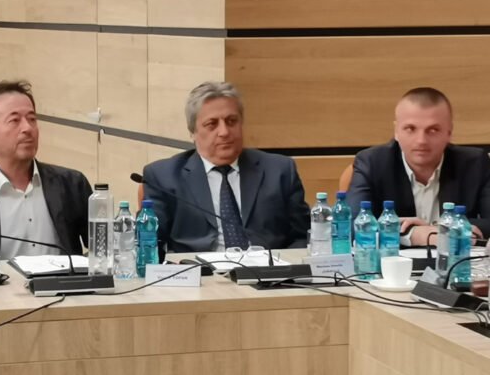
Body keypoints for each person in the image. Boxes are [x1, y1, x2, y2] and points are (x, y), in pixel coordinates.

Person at [142, 81, 310, 252]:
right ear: (193, 132)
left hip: (267, 266)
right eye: (212, 124)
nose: (224, 132)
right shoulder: (164, 177)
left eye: (231, 121)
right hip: (198, 267)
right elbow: (149, 242)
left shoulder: (279, 170)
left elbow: (304, 236)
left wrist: (287, 263)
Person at [0, 80, 92, 259]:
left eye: (32, 119)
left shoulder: (72, 184)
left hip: (64, 277)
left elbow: (104, 250)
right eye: (14, 120)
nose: (28, 128)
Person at [347, 87, 490, 246]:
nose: (421, 140)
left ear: (449, 133)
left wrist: (439, 230)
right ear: (396, 131)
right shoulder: (372, 163)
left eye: (433, 130)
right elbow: (351, 226)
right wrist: (412, 234)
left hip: (457, 259)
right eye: (410, 129)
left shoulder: (475, 163)